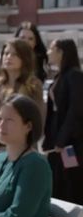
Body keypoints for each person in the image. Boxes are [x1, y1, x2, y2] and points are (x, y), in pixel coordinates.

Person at [0, 38, 45, 167]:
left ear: (24, 58)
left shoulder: (33, 86)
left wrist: (1, 115)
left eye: (14, 54)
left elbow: (36, 117)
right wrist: (14, 118)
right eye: (6, 53)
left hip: (24, 148)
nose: (8, 57)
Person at [43, 38, 83, 205]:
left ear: (61, 52)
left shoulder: (75, 76)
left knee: (71, 179)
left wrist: (62, 140)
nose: (48, 52)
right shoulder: (59, 76)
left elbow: (75, 110)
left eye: (51, 49)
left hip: (69, 144)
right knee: (57, 180)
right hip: (57, 142)